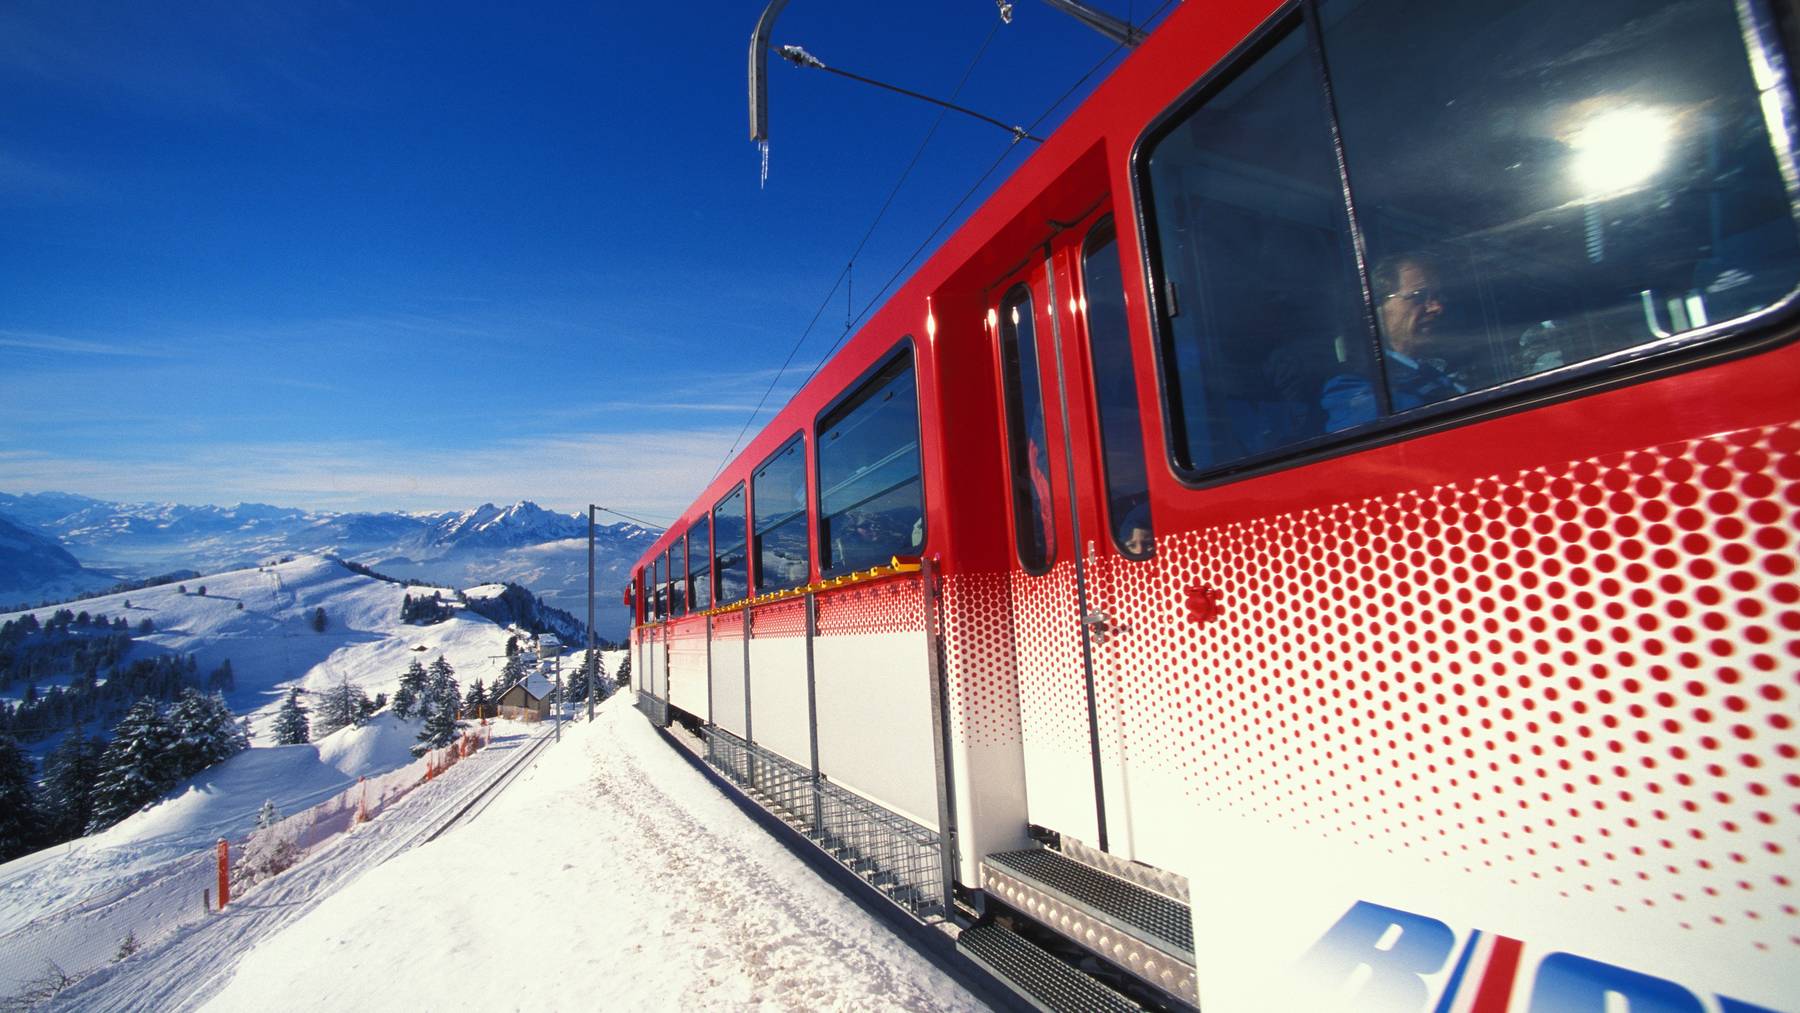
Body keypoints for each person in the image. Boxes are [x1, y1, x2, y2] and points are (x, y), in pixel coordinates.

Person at [1321, 254, 1465, 430]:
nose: (1436, 307)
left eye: (1438, 297)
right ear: (1377, 307)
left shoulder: (1442, 367)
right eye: (1420, 296)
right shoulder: (1352, 386)